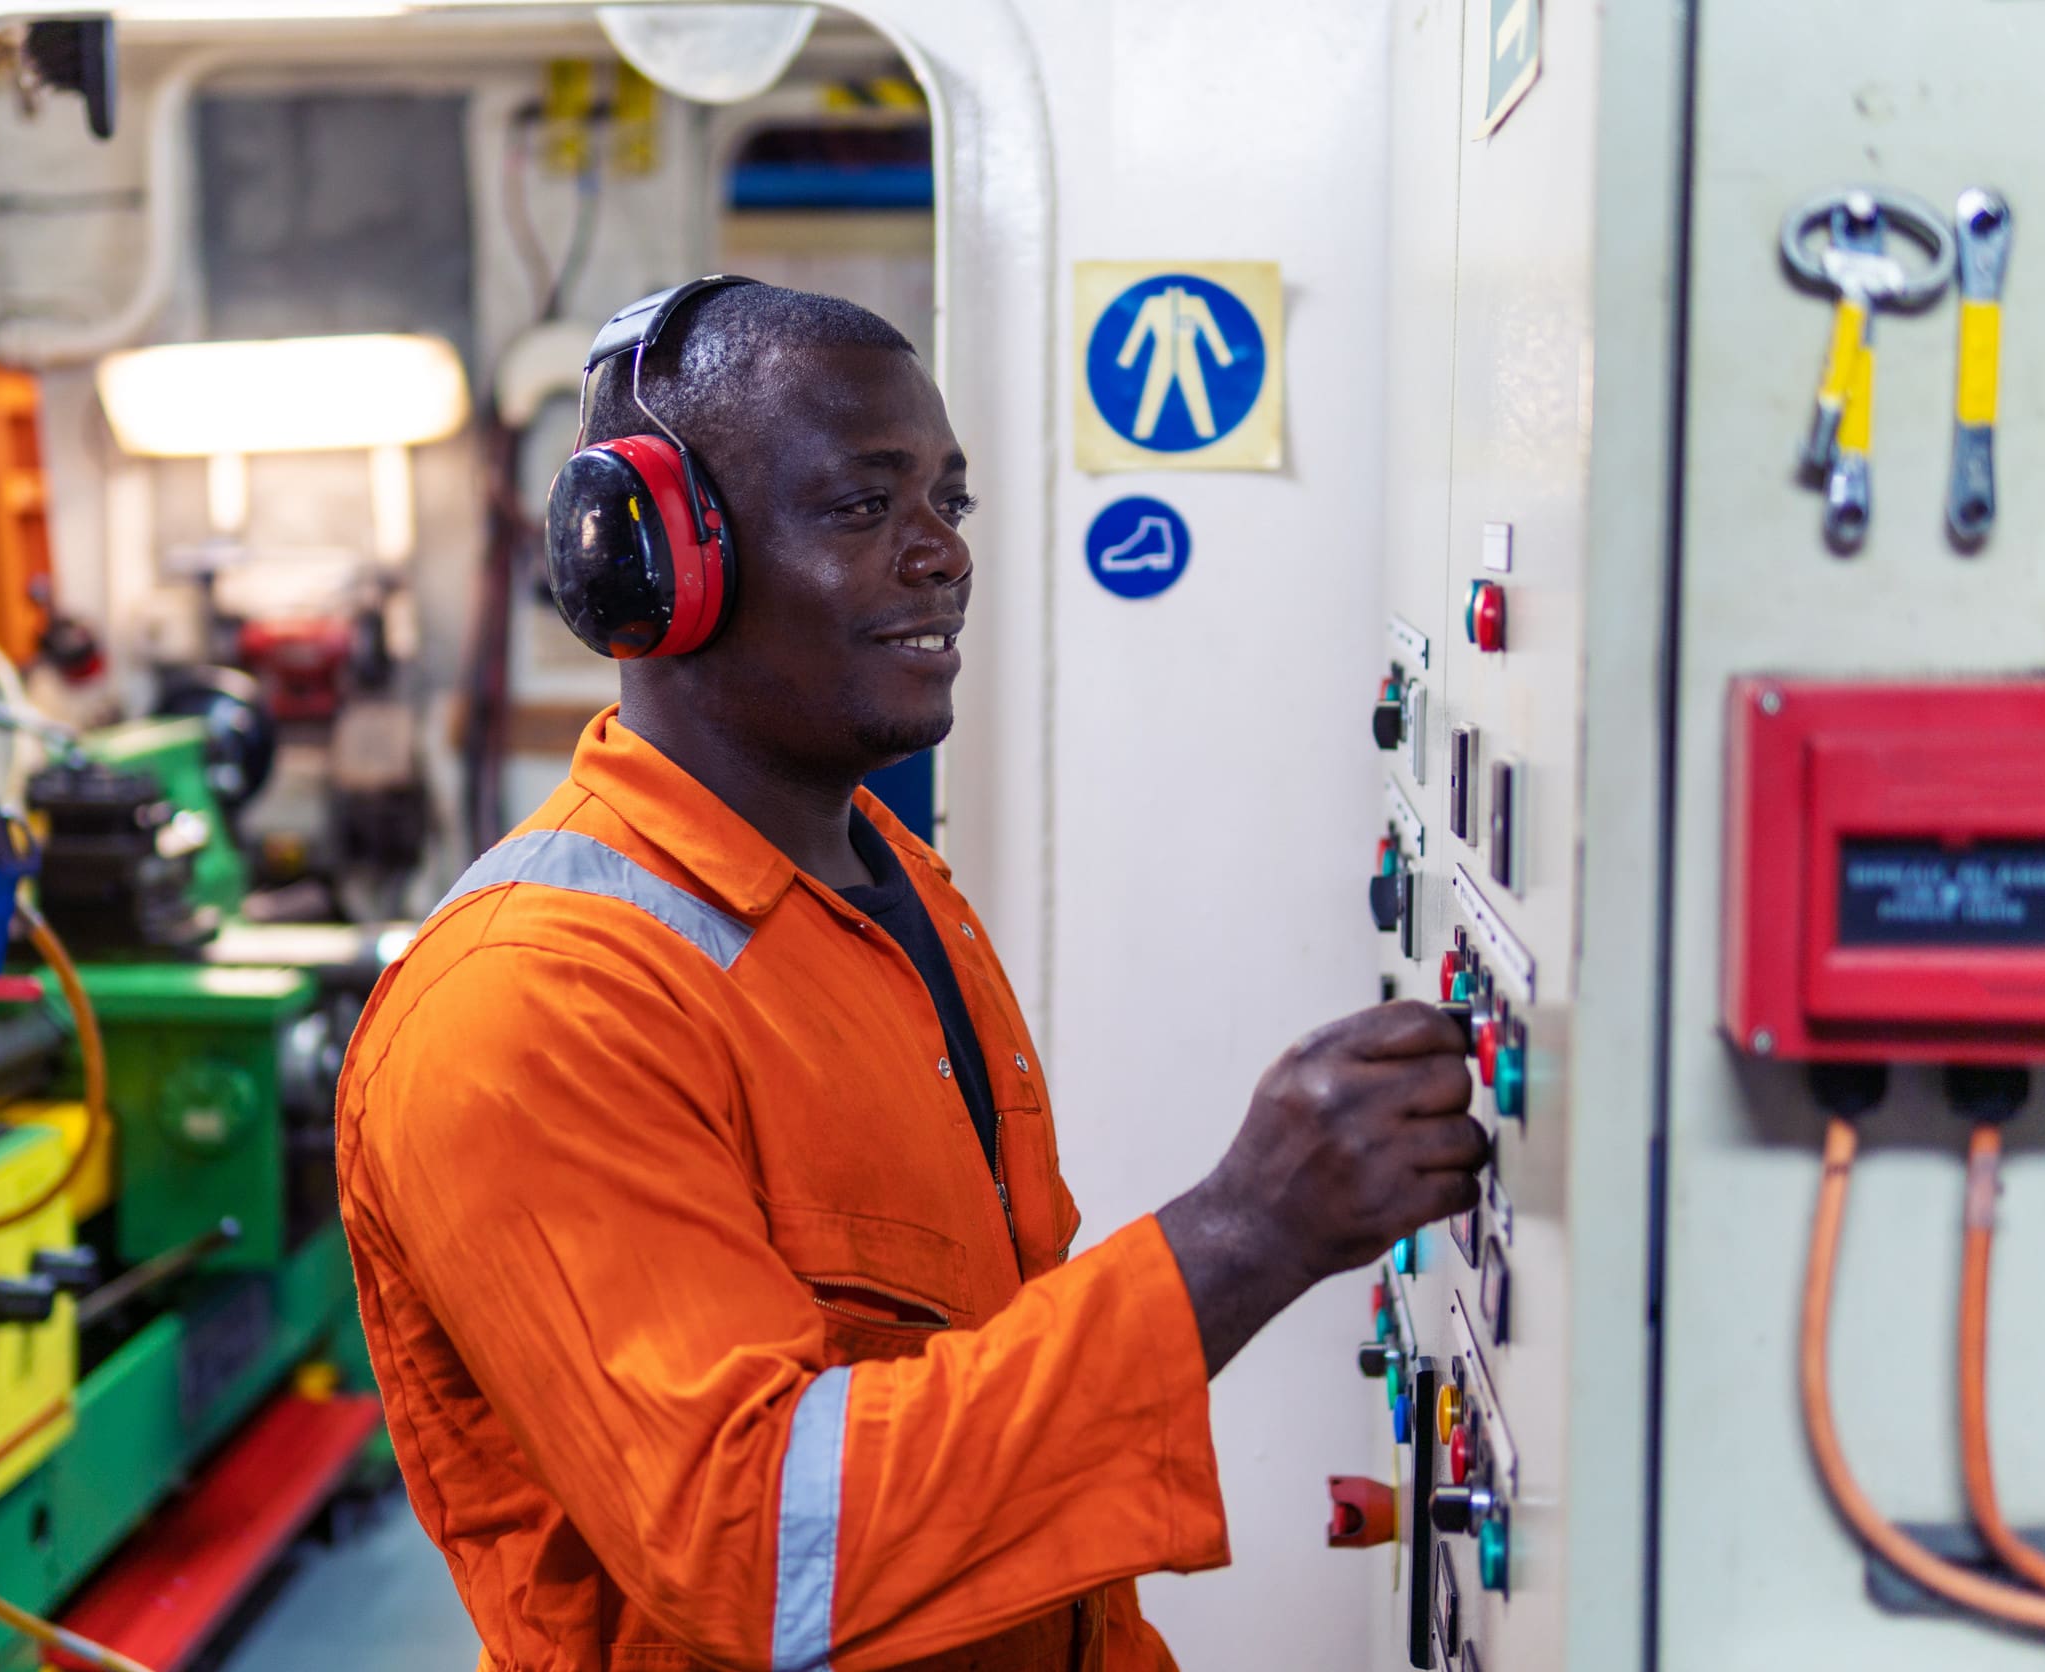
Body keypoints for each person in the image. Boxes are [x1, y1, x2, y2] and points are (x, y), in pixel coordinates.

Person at [335, 280, 1486, 1672]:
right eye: (862, 506)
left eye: (950, 502)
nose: (940, 554)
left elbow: (984, 1419)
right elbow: (763, 1554)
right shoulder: (530, 1005)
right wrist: (1245, 1235)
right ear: (654, 563)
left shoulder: (884, 890)